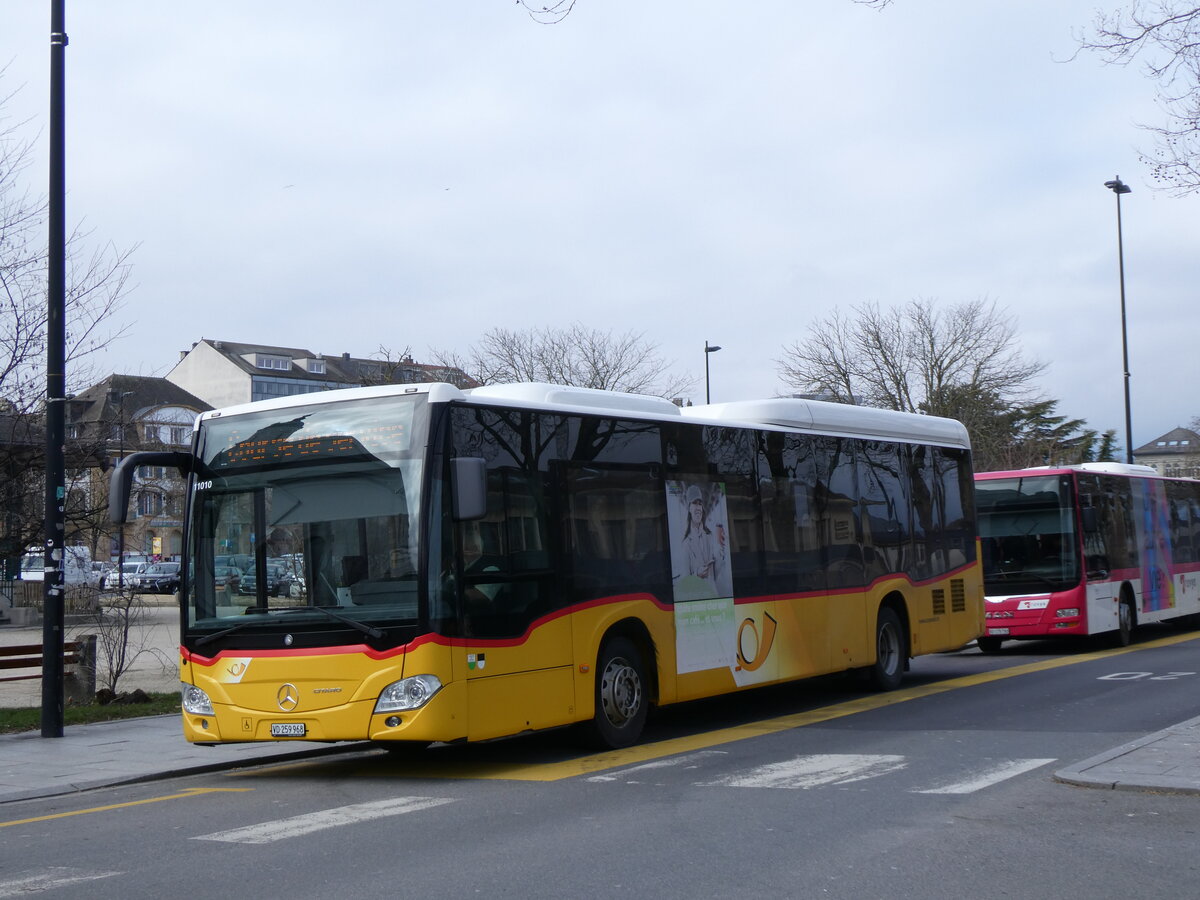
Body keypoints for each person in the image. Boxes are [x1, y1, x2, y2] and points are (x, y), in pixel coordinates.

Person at [680, 484, 727, 593]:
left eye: (700, 503)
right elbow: (684, 583)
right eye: (694, 503)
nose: (698, 507)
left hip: (713, 598)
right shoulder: (686, 543)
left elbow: (714, 574)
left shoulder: (709, 536)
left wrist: (721, 552)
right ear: (689, 508)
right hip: (697, 602)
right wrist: (697, 575)